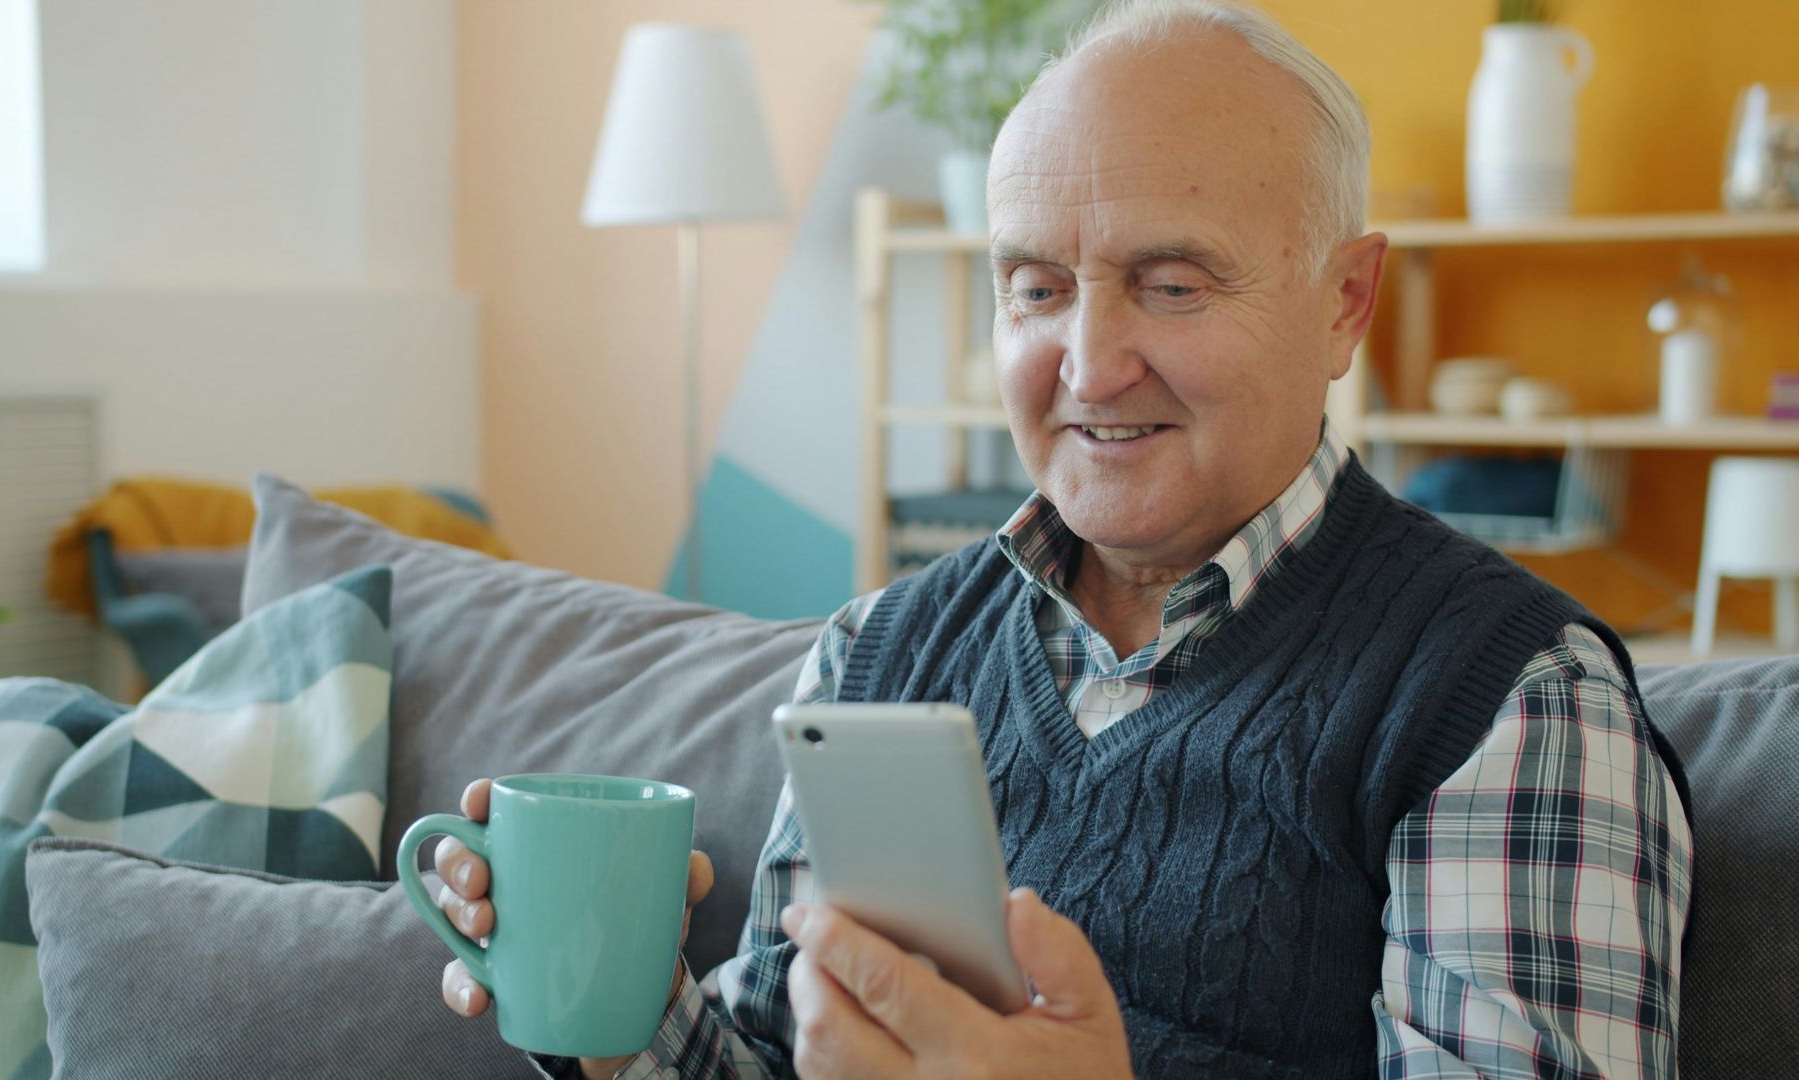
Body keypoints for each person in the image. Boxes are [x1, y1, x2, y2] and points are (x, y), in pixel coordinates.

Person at [433, 2, 1694, 1077]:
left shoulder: (1506, 701)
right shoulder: (876, 654)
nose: (1089, 365)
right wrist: (630, 1011)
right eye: (1035, 288)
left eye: (1174, 283)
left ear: (1343, 301)